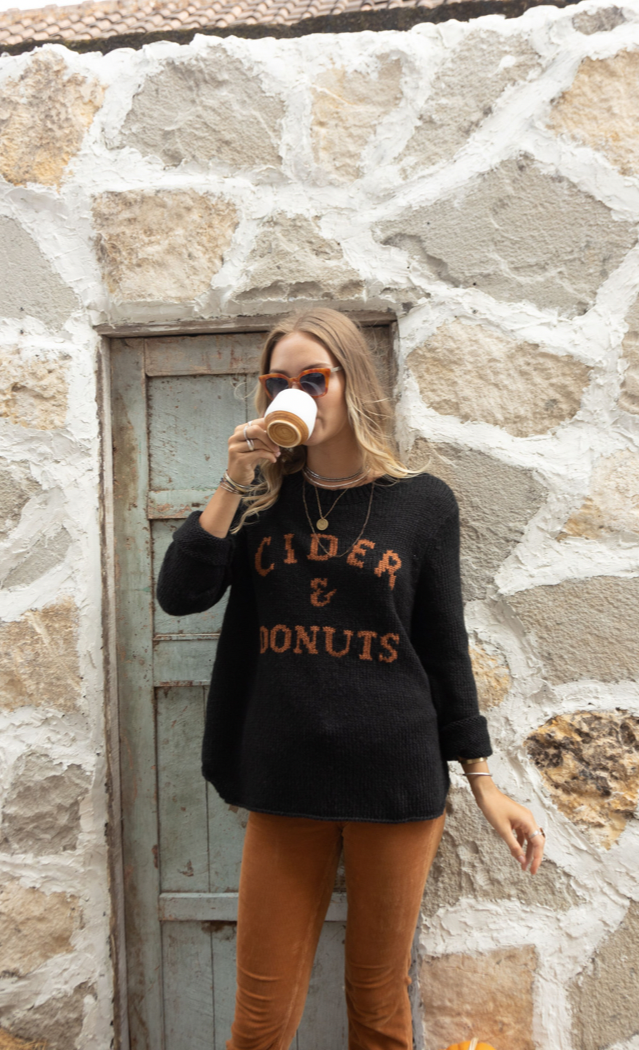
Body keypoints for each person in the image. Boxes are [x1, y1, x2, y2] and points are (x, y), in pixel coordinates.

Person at [156, 308, 545, 1050]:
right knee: (259, 1021)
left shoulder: (423, 503)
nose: (294, 395)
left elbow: (443, 647)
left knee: (377, 1007)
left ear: (350, 383)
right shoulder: (259, 503)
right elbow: (180, 595)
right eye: (277, 381)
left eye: (312, 379)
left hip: (395, 780)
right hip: (282, 779)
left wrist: (483, 780)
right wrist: (234, 481)